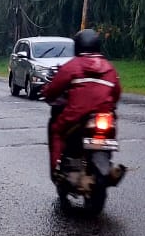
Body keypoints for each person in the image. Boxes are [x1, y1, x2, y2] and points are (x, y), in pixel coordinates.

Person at [41, 29, 121, 173]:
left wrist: (47, 95)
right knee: (112, 124)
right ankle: (106, 160)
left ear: (77, 46)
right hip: (104, 116)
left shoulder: (72, 66)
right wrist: (110, 108)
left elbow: (54, 89)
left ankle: (57, 166)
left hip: (76, 115)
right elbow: (116, 93)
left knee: (56, 130)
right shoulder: (110, 68)